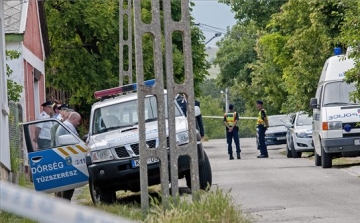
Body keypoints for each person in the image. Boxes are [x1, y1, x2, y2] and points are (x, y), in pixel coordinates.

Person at [55, 111, 82, 201]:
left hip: (63, 155)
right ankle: (66, 201)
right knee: (70, 181)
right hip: (67, 157)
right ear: (73, 118)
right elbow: (77, 141)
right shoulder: (69, 126)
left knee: (64, 183)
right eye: (78, 121)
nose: (78, 123)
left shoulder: (65, 125)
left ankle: (63, 200)